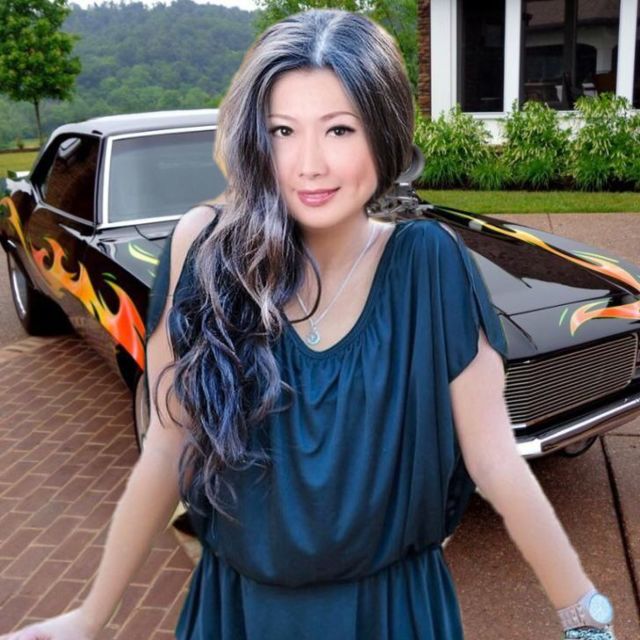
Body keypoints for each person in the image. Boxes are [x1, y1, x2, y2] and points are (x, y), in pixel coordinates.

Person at [0, 9, 616, 640]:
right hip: (241, 611)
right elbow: (166, 449)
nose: (309, 164)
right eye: (283, 131)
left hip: (392, 613)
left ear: (384, 133)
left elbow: (495, 460)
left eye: (340, 129)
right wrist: (89, 618)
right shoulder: (205, 251)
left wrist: (583, 614)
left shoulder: (428, 263)